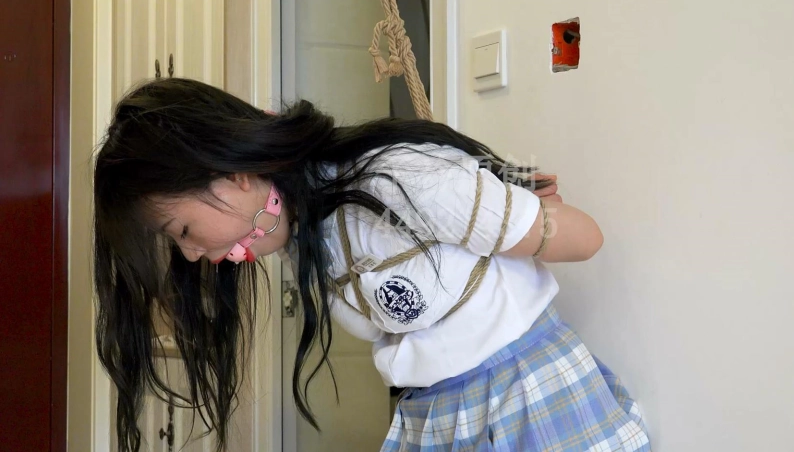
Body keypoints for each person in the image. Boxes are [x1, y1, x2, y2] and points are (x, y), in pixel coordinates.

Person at [94, 78, 650, 452]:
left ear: (232, 177)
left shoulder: (398, 179)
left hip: (526, 398)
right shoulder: (303, 233)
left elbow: (586, 238)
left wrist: (526, 217)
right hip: (437, 411)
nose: (191, 254)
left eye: (182, 232)